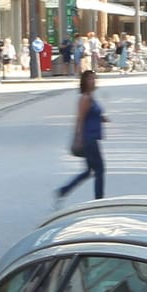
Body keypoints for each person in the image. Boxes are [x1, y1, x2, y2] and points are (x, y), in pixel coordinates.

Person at [56, 69, 106, 205]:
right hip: (88, 138)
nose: (93, 81)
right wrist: (78, 138)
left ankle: (64, 190)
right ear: (84, 82)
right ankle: (99, 200)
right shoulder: (85, 98)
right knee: (100, 169)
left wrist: (102, 118)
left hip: (93, 136)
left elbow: (92, 115)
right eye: (90, 79)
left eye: (94, 78)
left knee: (89, 171)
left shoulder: (90, 97)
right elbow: (80, 119)